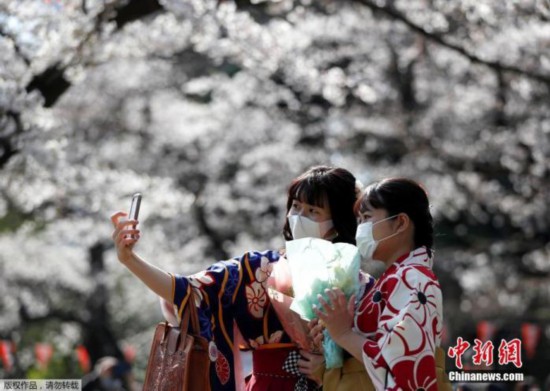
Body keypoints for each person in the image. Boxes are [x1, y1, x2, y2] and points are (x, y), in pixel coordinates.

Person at [110, 165, 359, 391]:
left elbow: (376, 352)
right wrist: (130, 259)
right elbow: (189, 290)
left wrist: (330, 367)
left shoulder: (356, 281)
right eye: (296, 207)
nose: (299, 216)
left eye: (313, 210)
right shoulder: (258, 268)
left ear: (337, 224)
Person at [312, 178, 450, 390]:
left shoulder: (412, 278)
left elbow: (403, 364)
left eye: (367, 218)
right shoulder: (399, 277)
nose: (361, 228)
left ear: (401, 223)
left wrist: (343, 334)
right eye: (359, 220)